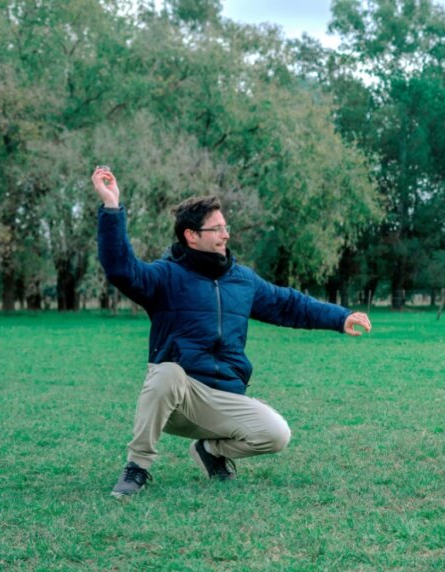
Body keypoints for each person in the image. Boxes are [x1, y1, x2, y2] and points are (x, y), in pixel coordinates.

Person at [91, 166, 371, 498]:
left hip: (225, 398)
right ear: (191, 236)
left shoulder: (243, 280)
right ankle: (137, 467)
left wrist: (340, 318)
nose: (226, 235)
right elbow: (122, 269)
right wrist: (112, 208)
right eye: (217, 229)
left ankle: (211, 451)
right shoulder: (165, 277)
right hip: (178, 399)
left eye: (226, 227)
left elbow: (289, 305)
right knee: (166, 373)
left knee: (276, 434)